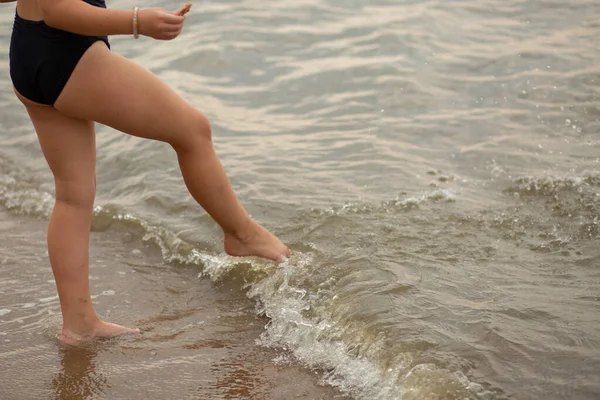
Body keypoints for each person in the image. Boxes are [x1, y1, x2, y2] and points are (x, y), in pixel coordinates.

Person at [4, 0, 290, 345]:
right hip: (66, 52)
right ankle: (241, 235)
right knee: (192, 130)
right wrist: (138, 22)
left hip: (29, 51)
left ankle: (78, 323)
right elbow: (58, 10)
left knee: (72, 192)